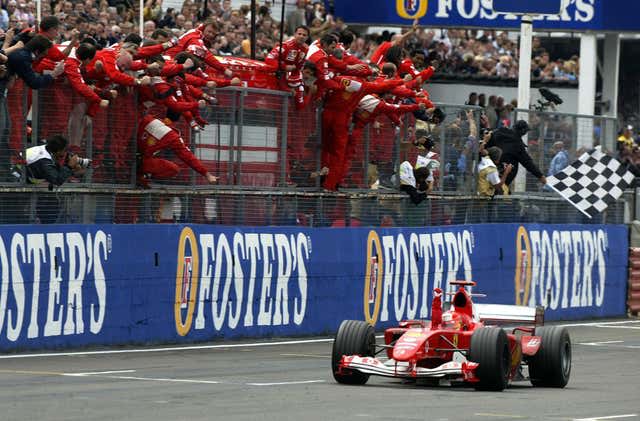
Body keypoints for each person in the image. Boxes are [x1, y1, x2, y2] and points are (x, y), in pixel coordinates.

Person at [25, 135, 88, 223]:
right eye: (65, 150)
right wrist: (69, 166)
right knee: (19, 212)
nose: (66, 153)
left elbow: (54, 171)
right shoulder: (44, 160)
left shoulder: (46, 149)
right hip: (15, 180)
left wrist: (72, 171)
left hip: (22, 178)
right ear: (58, 151)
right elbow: (56, 180)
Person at [485, 119, 546, 190]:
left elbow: (488, 136)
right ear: (523, 131)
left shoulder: (500, 131)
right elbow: (528, 163)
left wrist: (487, 127)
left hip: (488, 171)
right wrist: (540, 176)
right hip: (501, 177)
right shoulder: (517, 144)